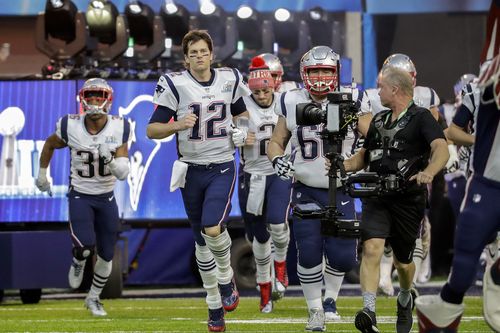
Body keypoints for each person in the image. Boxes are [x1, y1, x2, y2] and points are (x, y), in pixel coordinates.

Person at [146, 30, 250, 332]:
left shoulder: (229, 79)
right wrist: (177, 124)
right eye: (194, 53)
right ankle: (214, 305)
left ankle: (225, 276)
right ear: (186, 58)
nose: (200, 57)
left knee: (213, 227)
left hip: (221, 166)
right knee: (202, 244)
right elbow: (152, 130)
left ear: (212, 54)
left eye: (204, 51)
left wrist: (241, 131)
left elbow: (242, 114)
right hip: (191, 170)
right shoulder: (175, 85)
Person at [268, 45, 372, 331]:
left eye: (326, 70)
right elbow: (276, 140)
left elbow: (373, 134)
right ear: (304, 73)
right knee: (310, 251)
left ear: (336, 72)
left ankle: (331, 299)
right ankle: (315, 310)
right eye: (315, 71)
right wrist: (277, 158)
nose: (321, 77)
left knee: (343, 257)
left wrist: (357, 159)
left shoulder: (353, 97)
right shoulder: (291, 100)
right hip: (307, 185)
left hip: (342, 186)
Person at [340, 67, 448, 333]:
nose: (379, 92)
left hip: (407, 198)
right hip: (377, 195)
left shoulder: (422, 117)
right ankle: (368, 310)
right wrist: (340, 166)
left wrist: (429, 172)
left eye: (382, 88)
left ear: (395, 90)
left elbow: (441, 149)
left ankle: (405, 295)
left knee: (403, 261)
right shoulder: (378, 120)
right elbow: (363, 157)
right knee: (372, 247)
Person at [415, 53, 500, 332]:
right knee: (468, 245)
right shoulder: (478, 92)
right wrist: (481, 138)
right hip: (484, 178)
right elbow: (452, 131)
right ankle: (444, 312)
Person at [35, 78, 130, 316]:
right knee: (85, 247)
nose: (95, 100)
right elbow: (49, 144)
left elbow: (122, 173)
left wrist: (109, 159)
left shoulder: (120, 127)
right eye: (91, 95)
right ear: (82, 98)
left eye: (99, 95)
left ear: (108, 99)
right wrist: (42, 174)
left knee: (107, 254)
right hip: (81, 195)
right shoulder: (70, 125)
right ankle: (78, 260)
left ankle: (93, 298)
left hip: (106, 197)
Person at [363, 53, 449, 295]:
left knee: (414, 235)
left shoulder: (423, 105)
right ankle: (379, 290)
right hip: (381, 174)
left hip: (413, 176)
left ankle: (409, 285)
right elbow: (368, 139)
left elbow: (434, 139)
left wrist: (430, 169)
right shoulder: (373, 103)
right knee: (377, 240)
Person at [238, 56, 292, 313]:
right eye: (256, 91)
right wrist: (235, 135)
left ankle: (281, 270)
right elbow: (228, 132)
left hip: (279, 171)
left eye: (265, 90)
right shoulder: (241, 104)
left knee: (278, 224)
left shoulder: (287, 99)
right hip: (253, 175)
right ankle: (265, 291)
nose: (261, 95)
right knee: (259, 238)